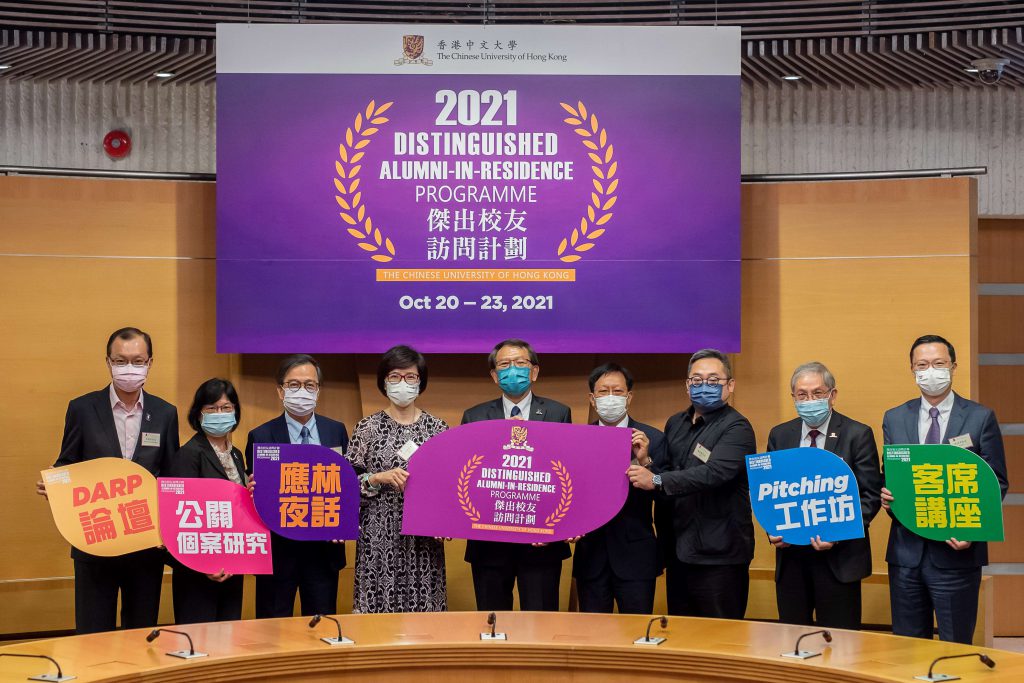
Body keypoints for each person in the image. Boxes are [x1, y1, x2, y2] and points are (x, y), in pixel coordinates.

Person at [36, 327, 179, 634]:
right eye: (121, 360)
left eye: (137, 360)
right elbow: (67, 463)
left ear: (150, 362)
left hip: (144, 546)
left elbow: (170, 476)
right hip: (95, 543)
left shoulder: (166, 413)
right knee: (92, 634)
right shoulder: (83, 408)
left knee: (141, 634)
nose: (130, 368)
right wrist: (55, 483)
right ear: (108, 361)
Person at [881, 335, 1008, 644]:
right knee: (907, 647)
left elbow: (996, 482)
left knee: (955, 643)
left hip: (956, 552)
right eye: (922, 365)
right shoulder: (895, 417)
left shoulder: (979, 417)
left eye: (939, 363)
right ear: (912, 370)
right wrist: (887, 495)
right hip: (906, 553)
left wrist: (972, 530)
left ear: (953, 366)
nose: (931, 371)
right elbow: (892, 474)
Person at [627, 348, 756, 619]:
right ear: (687, 386)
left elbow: (716, 473)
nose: (704, 386)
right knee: (683, 632)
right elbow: (671, 476)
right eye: (697, 380)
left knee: (720, 636)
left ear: (729, 386)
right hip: (679, 550)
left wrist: (657, 479)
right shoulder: (676, 423)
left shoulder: (737, 428)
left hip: (718, 554)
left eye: (713, 380)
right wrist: (647, 462)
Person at [766, 362, 882, 630]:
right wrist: (772, 530)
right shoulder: (780, 435)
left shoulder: (857, 434)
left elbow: (869, 495)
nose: (810, 400)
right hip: (792, 560)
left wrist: (837, 532)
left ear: (833, 395)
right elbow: (769, 493)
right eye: (802, 394)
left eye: (818, 393)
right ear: (793, 397)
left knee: (841, 645)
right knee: (792, 641)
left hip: (839, 561)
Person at [461, 339, 573, 612]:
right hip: (489, 543)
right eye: (504, 365)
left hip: (540, 544)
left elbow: (565, 474)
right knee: (492, 624)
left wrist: (555, 526)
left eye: (521, 363)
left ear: (534, 371)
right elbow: (467, 475)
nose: (513, 370)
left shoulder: (558, 413)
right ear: (494, 375)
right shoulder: (474, 417)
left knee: (541, 624)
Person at [244, 354, 350, 618]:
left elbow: (345, 483)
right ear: (280, 391)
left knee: (323, 625)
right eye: (293, 385)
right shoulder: (261, 435)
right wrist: (252, 490)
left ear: (318, 391)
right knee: (271, 627)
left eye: (309, 385)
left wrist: (343, 521)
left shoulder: (336, 431)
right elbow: (255, 497)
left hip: (324, 550)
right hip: (279, 553)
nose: (302, 391)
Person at [345, 345, 448, 613]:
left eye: (410, 377)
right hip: (377, 537)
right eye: (394, 377)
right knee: (377, 614)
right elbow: (345, 485)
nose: (402, 383)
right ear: (383, 382)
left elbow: (450, 486)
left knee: (424, 615)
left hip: (424, 539)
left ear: (420, 381)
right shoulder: (366, 428)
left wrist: (446, 523)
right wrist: (378, 477)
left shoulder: (438, 429)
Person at [572, 363, 666, 614]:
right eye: (603, 392)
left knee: (635, 635)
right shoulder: (577, 439)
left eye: (618, 391)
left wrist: (646, 461)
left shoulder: (652, 438)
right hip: (591, 556)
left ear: (629, 396)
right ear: (592, 399)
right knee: (591, 637)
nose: (610, 398)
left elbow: (668, 491)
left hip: (636, 556)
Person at [167, 378, 248, 624]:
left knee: (228, 641)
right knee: (199, 643)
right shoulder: (188, 454)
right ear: (198, 413)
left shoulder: (236, 454)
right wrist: (205, 564)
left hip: (233, 565)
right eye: (211, 408)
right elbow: (180, 518)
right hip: (198, 572)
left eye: (226, 407)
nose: (219, 413)